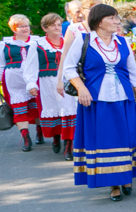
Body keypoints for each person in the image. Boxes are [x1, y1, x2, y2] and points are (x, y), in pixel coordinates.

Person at [63, 4, 136, 201]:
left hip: (124, 98)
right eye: (112, 18)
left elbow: (132, 71)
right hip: (97, 100)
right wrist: (82, 89)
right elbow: (69, 68)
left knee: (128, 139)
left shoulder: (122, 42)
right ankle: (113, 184)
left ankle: (126, 176)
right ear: (99, 21)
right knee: (105, 141)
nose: (117, 21)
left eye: (117, 18)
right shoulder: (84, 40)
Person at [23, 13, 78, 160]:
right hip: (47, 84)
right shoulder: (38, 45)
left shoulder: (69, 42)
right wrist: (31, 84)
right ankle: (55, 137)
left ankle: (68, 146)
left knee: (70, 111)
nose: (57, 27)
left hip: (68, 82)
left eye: (59, 24)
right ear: (44, 28)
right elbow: (30, 66)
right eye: (53, 25)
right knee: (54, 112)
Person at [1, 14, 42, 151]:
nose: (25, 28)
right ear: (14, 28)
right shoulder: (4, 44)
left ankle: (40, 130)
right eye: (21, 26)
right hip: (14, 80)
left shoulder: (37, 42)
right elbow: (1, 65)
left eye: (26, 25)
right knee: (19, 108)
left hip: (34, 77)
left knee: (37, 106)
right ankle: (25, 137)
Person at [55, 0, 101, 96]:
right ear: (83, 10)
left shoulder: (103, 29)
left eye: (98, 8)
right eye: (90, 8)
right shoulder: (74, 29)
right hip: (79, 75)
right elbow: (65, 55)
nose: (95, 12)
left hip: (98, 75)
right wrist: (60, 80)